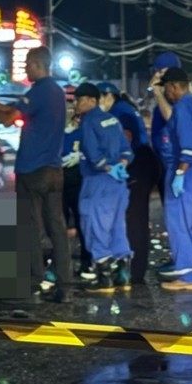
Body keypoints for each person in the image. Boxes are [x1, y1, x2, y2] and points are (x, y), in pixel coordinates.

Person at [0, 46, 74, 303]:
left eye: (28, 64)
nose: (25, 69)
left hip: (32, 170)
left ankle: (33, 285)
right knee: (57, 228)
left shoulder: (40, 91)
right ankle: (65, 286)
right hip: (54, 169)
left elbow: (8, 118)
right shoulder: (57, 92)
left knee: (30, 229)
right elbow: (12, 109)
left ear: (38, 64)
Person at [156, 66, 192, 291]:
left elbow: (187, 146)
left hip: (184, 170)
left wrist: (179, 173)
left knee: (179, 225)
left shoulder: (181, 108)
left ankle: (187, 276)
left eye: (166, 89)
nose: (167, 94)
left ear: (173, 87)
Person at [73, 82, 133, 293]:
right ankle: (122, 274)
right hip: (118, 182)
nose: (76, 104)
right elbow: (127, 150)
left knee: (94, 226)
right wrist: (120, 165)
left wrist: (107, 167)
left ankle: (104, 277)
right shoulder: (112, 120)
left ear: (92, 100)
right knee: (117, 227)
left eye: (79, 100)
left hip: (97, 181)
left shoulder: (89, 121)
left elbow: (92, 154)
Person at [96, 81, 158, 285]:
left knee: (134, 219)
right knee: (135, 218)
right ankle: (134, 268)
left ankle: (135, 271)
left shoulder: (119, 113)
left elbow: (124, 141)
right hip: (143, 163)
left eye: (98, 98)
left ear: (109, 96)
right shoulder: (124, 109)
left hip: (137, 165)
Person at [149, 51, 181, 275]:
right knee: (172, 215)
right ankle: (179, 256)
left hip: (174, 163)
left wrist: (158, 93)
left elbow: (172, 120)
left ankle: (183, 261)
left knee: (178, 216)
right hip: (165, 162)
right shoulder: (164, 98)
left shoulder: (175, 100)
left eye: (161, 72)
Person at [61, 107, 93, 282]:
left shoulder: (82, 132)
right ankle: (61, 264)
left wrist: (78, 156)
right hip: (60, 179)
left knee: (82, 222)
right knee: (60, 223)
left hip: (78, 179)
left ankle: (86, 261)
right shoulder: (57, 134)